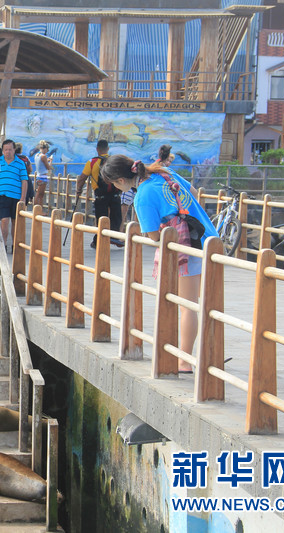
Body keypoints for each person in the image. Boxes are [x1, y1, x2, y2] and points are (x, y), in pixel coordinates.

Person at [99, 155, 217, 373]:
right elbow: (192, 192)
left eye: (114, 184)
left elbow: (153, 235)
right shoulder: (164, 172)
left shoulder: (143, 196)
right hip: (208, 237)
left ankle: (184, 362)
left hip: (188, 247)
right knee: (206, 303)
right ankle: (209, 357)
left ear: (121, 181)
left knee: (188, 305)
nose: (116, 188)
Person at [76, 139, 121, 248]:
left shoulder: (92, 162)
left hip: (100, 195)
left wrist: (78, 190)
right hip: (115, 194)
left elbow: (82, 178)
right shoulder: (114, 161)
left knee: (101, 218)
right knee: (116, 217)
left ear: (97, 149)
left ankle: (98, 241)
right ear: (108, 149)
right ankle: (114, 237)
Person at [0, 139, 28, 250]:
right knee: (4, 220)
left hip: (16, 196)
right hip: (2, 195)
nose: (8, 152)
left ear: (14, 150)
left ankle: (14, 246)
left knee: (15, 222)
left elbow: (24, 181)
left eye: (10, 149)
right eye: (6, 150)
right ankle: (3, 246)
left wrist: (23, 198)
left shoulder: (20, 163)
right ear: (2, 151)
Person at [33, 140, 54, 209]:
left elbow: (41, 162)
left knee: (39, 193)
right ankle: (37, 209)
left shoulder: (37, 155)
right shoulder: (43, 156)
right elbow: (48, 167)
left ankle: (38, 209)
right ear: (45, 149)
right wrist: (51, 161)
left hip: (38, 175)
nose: (47, 151)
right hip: (43, 176)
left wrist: (47, 160)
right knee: (40, 194)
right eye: (47, 149)